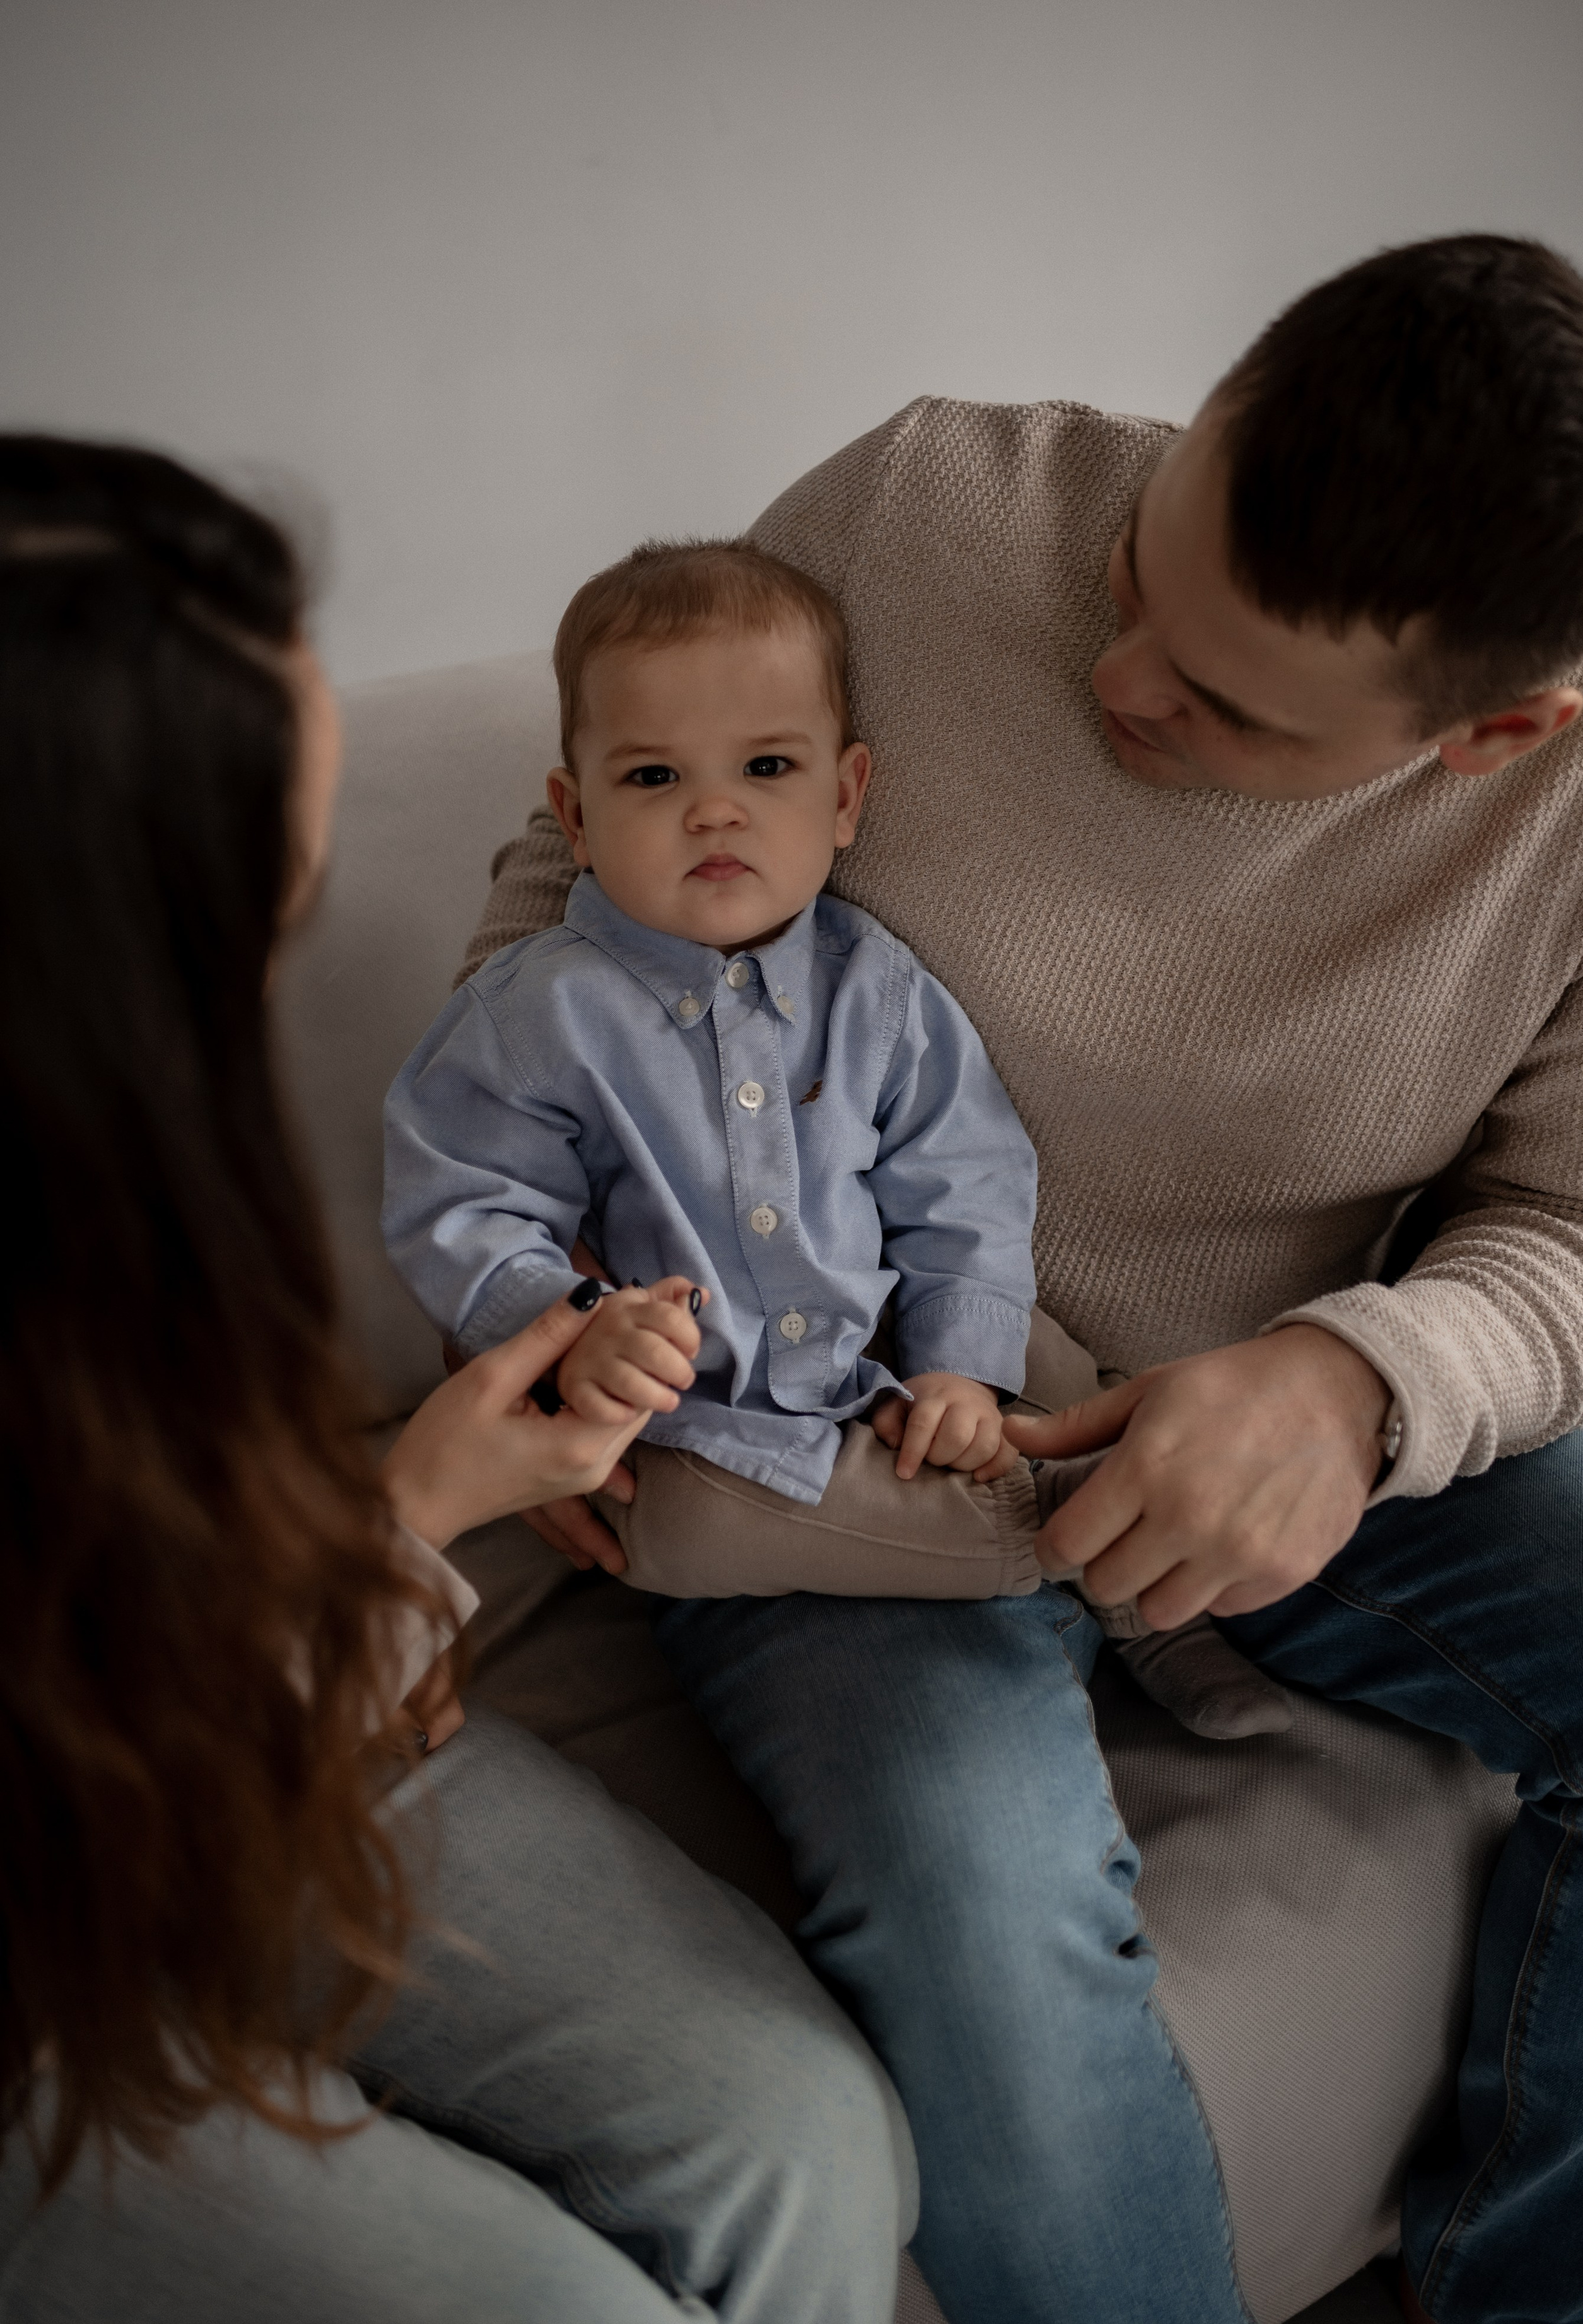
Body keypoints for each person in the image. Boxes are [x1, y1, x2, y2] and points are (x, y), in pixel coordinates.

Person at [464, 234, 1583, 2324]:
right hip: (819, 1417)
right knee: (994, 1922)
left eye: (1228, 701)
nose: (1120, 682)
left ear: (1500, 733)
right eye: (1137, 584)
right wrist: (544, 1288)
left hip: (1267, 1392)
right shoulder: (922, 505)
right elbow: (572, 882)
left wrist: (1358, 1383)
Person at [0, 436, 918, 2324]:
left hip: (251, 1692)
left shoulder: (137, 1132)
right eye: (269, 875)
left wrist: (374, 1544)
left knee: (805, 2133)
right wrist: (408, 1526)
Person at [382, 539, 1286, 1737]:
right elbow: (464, 1202)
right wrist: (576, 1330)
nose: (715, 808)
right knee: (684, 1531)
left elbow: (962, 1176)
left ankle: (1138, 1588)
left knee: (1060, 1364)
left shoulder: (879, 988)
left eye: (767, 766)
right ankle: (1074, 1548)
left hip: (893, 1350)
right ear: (576, 816)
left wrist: (961, 1366)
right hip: (708, 1417)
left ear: (846, 795)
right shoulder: (537, 1012)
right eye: (652, 778)